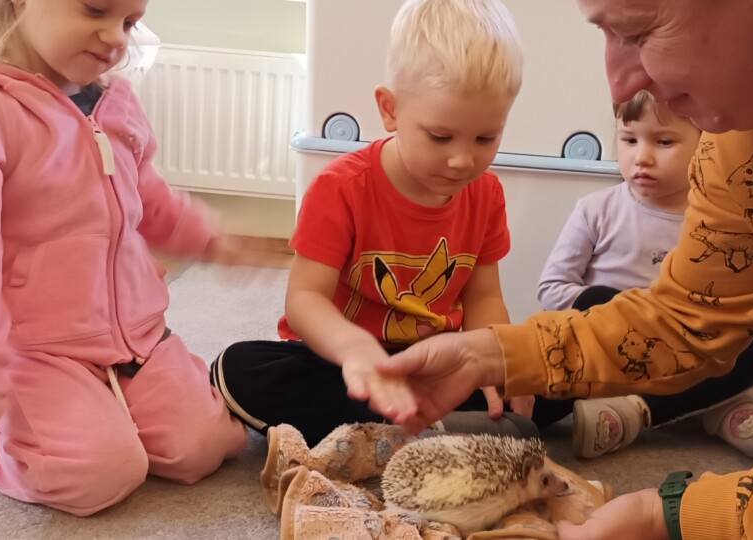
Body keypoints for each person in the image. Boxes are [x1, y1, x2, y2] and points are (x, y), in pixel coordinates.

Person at [364, 0, 753, 538]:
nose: (620, 82)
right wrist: (491, 354)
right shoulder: (740, 139)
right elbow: (688, 317)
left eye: (639, 32)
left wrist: (671, 514)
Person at [0, 0, 266, 515]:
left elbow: (149, 198)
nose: (117, 37)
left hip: (137, 339)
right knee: (101, 472)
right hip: (38, 351)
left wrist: (208, 238)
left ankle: (101, 410)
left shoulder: (116, 104)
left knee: (206, 446)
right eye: (95, 9)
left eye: (129, 22)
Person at [210, 0, 553, 446]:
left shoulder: (486, 194)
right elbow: (305, 300)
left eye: (486, 137)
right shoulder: (340, 187)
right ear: (390, 109)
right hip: (342, 363)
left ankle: (415, 428)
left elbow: (485, 298)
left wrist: (494, 358)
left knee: (546, 363)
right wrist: (356, 351)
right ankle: (434, 429)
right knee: (238, 368)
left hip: (438, 365)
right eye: (440, 136)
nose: (462, 160)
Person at [539, 89, 753, 459]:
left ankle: (640, 411)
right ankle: (716, 409)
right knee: (596, 299)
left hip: (685, 346)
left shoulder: (717, 219)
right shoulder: (595, 209)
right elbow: (552, 288)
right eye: (629, 140)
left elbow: (727, 307)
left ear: (706, 145)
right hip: (610, 346)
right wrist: (630, 310)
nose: (641, 157)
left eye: (663, 142)